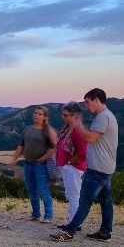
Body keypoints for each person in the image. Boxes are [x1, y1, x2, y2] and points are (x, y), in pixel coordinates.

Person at [50, 88, 118, 242]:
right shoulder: (108, 116)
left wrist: (77, 124)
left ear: (96, 99)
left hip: (97, 168)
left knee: (84, 201)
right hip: (105, 167)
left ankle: (69, 231)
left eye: (87, 102)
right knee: (106, 200)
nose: (86, 106)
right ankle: (105, 232)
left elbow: (90, 138)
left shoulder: (103, 117)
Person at [11, 106, 57, 224]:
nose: (36, 115)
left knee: (43, 190)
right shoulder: (27, 129)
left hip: (40, 166)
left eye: (39, 114)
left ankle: (49, 216)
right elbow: (21, 145)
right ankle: (35, 214)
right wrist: (14, 159)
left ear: (44, 117)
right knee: (31, 190)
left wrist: (41, 160)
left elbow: (52, 150)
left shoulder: (47, 131)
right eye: (35, 113)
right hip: (27, 164)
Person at [55, 102, 87, 230]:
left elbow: (83, 152)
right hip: (68, 167)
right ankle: (71, 222)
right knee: (71, 195)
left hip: (74, 168)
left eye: (66, 115)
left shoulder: (77, 130)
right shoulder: (69, 128)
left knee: (74, 196)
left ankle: (75, 224)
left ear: (74, 116)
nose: (63, 117)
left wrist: (69, 162)